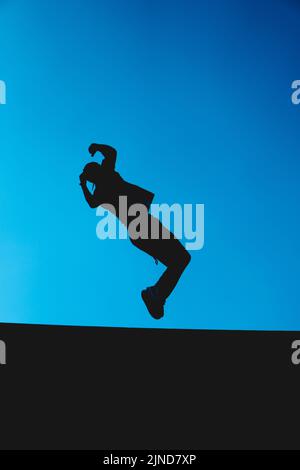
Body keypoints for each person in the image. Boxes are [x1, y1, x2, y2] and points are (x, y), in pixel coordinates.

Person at [79, 143, 191, 319]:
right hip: (142, 224)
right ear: (98, 172)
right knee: (182, 259)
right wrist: (97, 147)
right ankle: (156, 293)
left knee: (179, 261)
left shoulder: (100, 191)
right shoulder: (107, 176)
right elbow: (112, 152)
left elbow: (92, 203)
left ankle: (156, 294)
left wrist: (82, 184)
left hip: (137, 232)